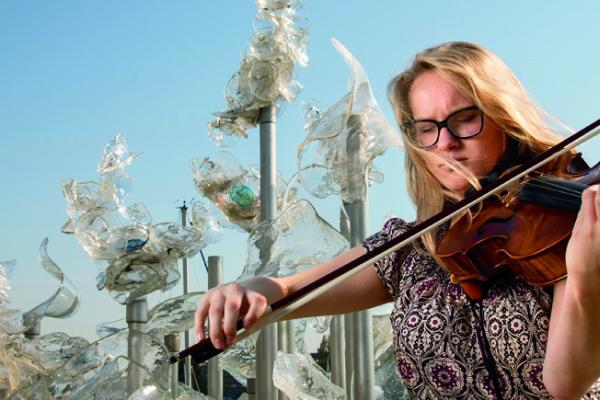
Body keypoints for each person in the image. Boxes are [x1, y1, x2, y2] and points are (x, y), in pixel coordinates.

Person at [195, 42, 600, 399]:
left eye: (463, 119)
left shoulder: (567, 229)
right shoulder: (414, 250)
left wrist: (583, 276)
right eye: (426, 129)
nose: (445, 143)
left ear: (503, 118)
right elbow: (285, 291)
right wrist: (247, 291)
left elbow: (566, 385)